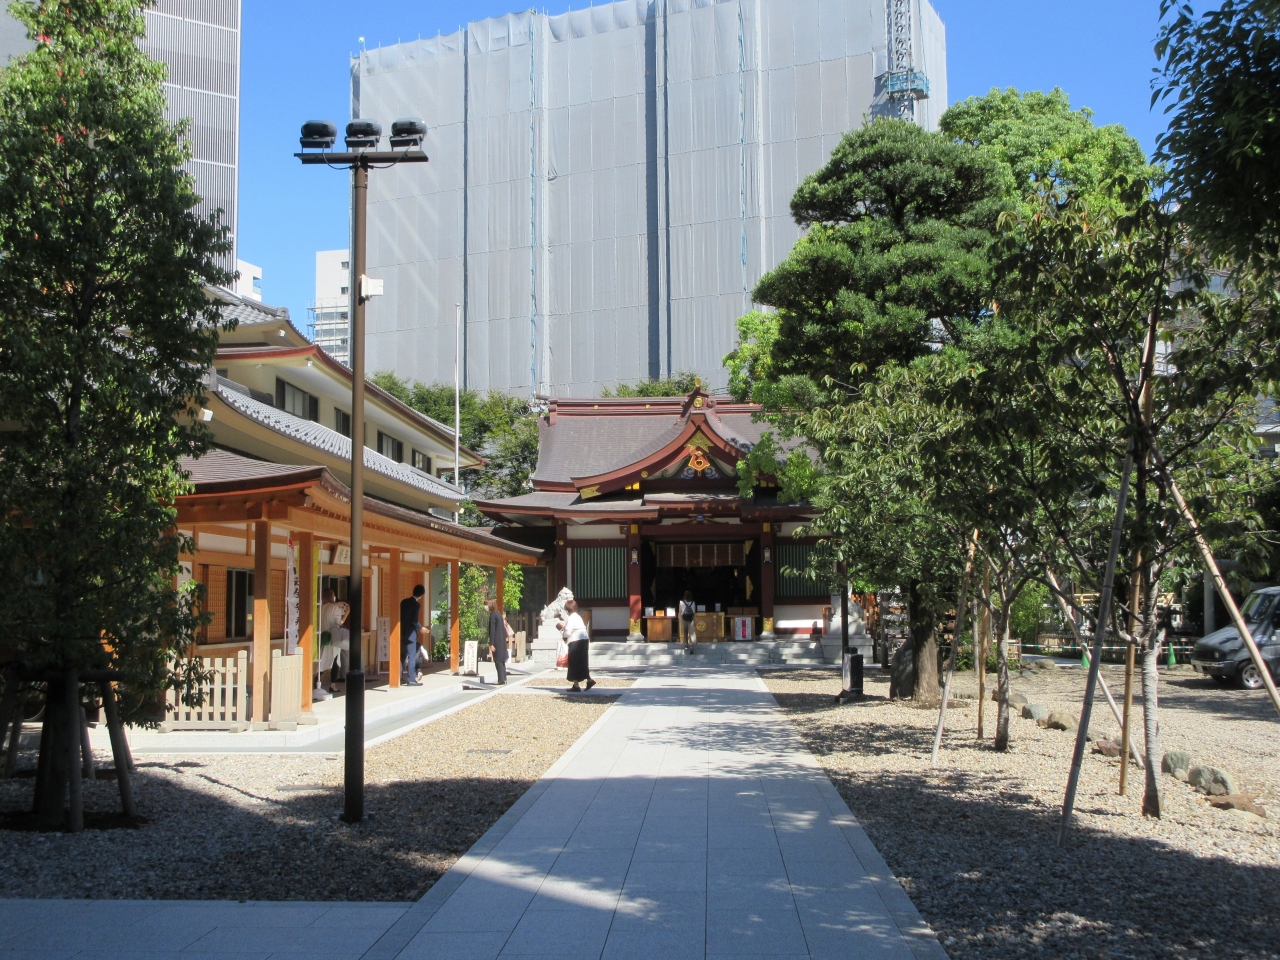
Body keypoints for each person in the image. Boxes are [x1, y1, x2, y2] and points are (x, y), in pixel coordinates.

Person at [318, 588, 351, 695]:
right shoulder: (334, 607)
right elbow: (339, 622)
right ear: (332, 597)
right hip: (334, 636)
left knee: (323, 660)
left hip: (323, 637)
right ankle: (332, 685)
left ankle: (316, 682)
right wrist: (347, 612)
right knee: (335, 660)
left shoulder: (320, 608)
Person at [559, 599, 594, 692]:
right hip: (584, 639)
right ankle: (589, 680)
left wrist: (562, 632)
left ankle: (576, 685)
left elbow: (567, 632)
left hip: (575, 640)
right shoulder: (578, 616)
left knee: (573, 662)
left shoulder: (570, 618)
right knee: (582, 661)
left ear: (567, 610)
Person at [401, 584, 426, 686]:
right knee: (412, 656)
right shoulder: (416, 605)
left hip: (401, 632)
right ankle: (411, 679)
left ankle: (399, 678)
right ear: (421, 595)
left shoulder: (403, 602)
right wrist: (421, 628)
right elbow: (414, 620)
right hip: (411, 634)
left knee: (402, 656)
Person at [487, 598, 508, 685]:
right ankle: (504, 678)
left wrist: (491, 643)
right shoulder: (498, 614)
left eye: (486, 604)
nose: (485, 606)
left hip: (496, 640)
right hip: (501, 640)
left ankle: (501, 679)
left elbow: (492, 630)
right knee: (502, 660)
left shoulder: (493, 615)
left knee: (498, 660)